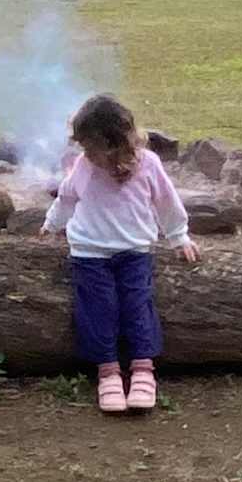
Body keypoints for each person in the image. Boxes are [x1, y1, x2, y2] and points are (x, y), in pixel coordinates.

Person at [42, 92, 197, 414]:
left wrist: (178, 236)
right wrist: (52, 224)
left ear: (115, 142)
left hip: (134, 250)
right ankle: (108, 372)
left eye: (91, 147)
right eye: (84, 147)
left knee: (137, 306)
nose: (86, 154)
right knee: (99, 309)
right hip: (89, 253)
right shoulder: (84, 166)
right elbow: (66, 198)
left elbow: (166, 201)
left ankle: (143, 370)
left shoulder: (148, 164)